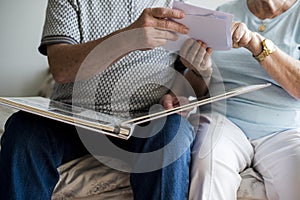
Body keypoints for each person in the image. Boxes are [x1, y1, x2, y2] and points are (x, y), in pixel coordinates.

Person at [0, 0, 213, 199]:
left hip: (145, 119)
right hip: (71, 119)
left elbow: (185, 82)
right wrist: (128, 38)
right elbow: (61, 68)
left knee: (172, 133)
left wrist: (190, 82)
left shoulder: (173, 5)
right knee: (23, 128)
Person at [185, 0, 300, 199]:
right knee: (208, 163)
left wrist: (256, 44)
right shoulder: (224, 14)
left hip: (283, 131)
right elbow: (196, 90)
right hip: (224, 121)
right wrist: (197, 70)